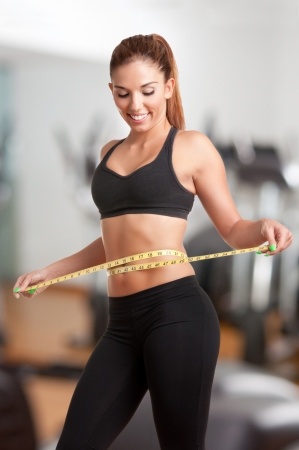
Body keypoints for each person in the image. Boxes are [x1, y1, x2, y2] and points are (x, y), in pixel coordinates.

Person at [13, 33, 293, 450]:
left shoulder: (191, 148)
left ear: (168, 86)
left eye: (146, 91)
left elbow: (234, 228)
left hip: (176, 315)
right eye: (122, 94)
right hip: (121, 324)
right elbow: (114, 243)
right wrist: (50, 273)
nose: (135, 105)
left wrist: (265, 227)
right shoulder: (109, 151)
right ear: (111, 91)